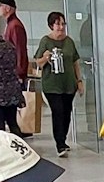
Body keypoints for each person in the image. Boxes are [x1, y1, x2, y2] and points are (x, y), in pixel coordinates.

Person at [32, 10, 82, 158]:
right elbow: (38, 63)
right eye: (57, 24)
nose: (61, 27)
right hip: (52, 85)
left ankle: (63, 139)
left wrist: (79, 81)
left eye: (63, 24)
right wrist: (45, 57)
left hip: (68, 84)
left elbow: (75, 62)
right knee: (58, 111)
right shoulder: (45, 41)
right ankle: (59, 143)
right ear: (51, 25)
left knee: (66, 113)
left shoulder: (69, 42)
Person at [0, 0, 30, 89]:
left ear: (7, 8)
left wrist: (20, 72)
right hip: (13, 70)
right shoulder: (12, 24)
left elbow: (20, 50)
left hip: (15, 72)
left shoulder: (14, 26)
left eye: (0, 6)